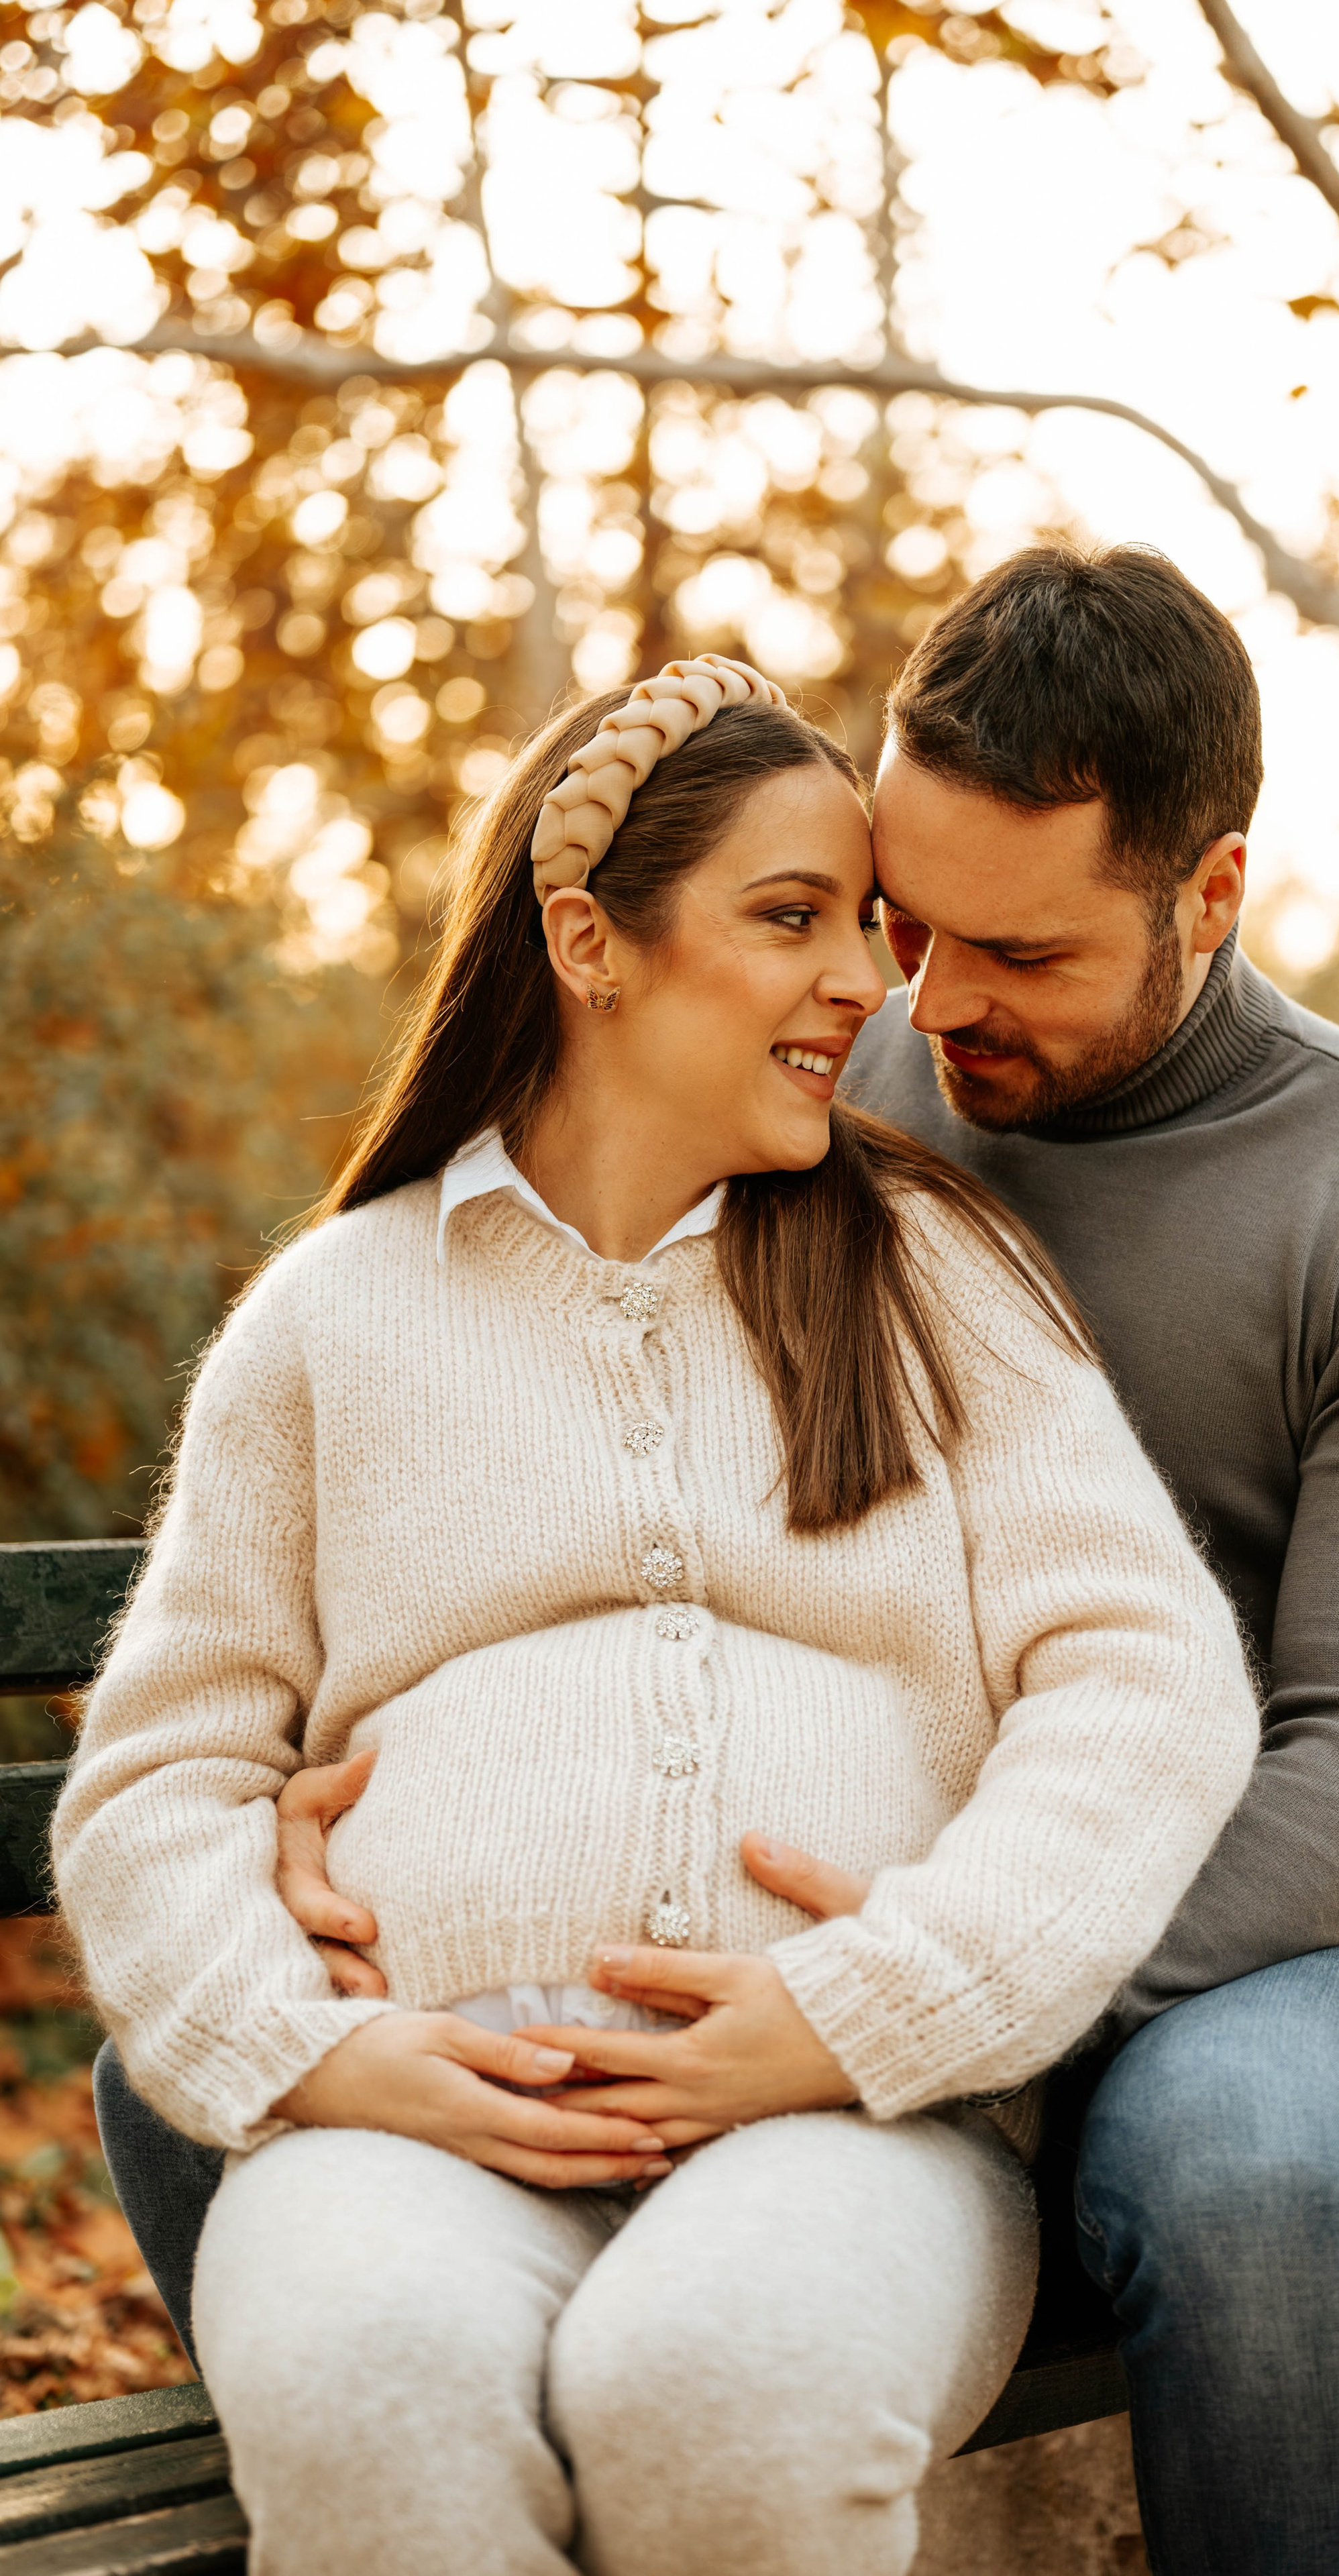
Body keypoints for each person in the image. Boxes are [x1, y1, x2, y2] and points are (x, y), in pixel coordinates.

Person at [57, 653, 1260, 2576]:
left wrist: (884, 1999)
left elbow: (1146, 1681)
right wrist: (303, 2052)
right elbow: (163, 1774)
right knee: (370, 2399)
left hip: (853, 2126)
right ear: (587, 942)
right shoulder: (333, 1319)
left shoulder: (931, 1273)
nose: (867, 984)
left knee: (719, 2393)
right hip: (412, 2119)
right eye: (793, 920)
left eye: (863, 926)